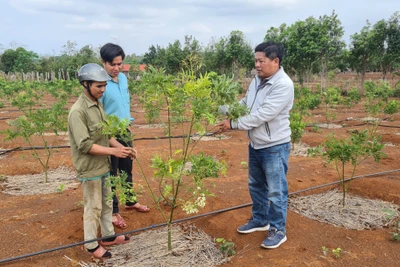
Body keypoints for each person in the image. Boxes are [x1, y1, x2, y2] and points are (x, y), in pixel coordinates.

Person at [217, 41, 294, 249]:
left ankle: (278, 229)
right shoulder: (257, 80)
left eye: (261, 61)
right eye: (256, 60)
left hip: (275, 146)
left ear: (275, 61)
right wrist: (223, 109)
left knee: (276, 191)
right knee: (256, 185)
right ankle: (261, 219)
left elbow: (262, 115)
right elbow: (246, 104)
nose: (257, 65)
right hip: (257, 144)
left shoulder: (283, 85)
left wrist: (232, 124)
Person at [68, 63, 134, 260]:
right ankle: (90, 245)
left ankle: (108, 236)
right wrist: (113, 151)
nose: (103, 90)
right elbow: (85, 145)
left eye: (104, 86)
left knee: (106, 203)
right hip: (90, 168)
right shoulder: (78, 112)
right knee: (93, 207)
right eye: (99, 86)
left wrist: (121, 148)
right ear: (86, 84)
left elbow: (106, 133)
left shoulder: (99, 104)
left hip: (104, 164)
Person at [99, 43, 150, 230]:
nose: (117, 68)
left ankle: (130, 201)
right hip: (108, 134)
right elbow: (99, 114)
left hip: (124, 130)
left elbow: (124, 103)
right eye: (113, 64)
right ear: (103, 62)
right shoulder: (100, 83)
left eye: (120, 64)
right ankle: (113, 210)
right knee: (112, 172)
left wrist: (127, 125)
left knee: (127, 167)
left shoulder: (122, 79)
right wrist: (112, 141)